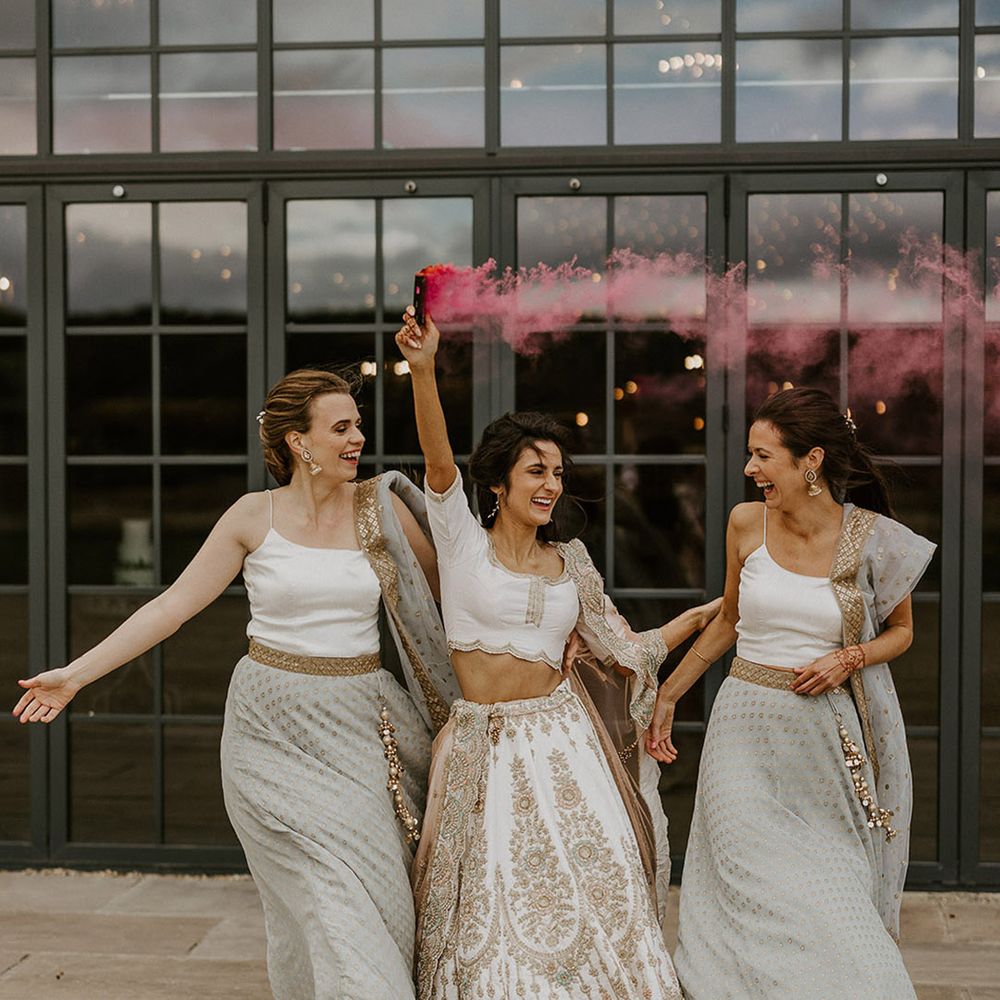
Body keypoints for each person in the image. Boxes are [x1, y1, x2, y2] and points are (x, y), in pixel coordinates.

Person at [12, 368, 459, 1000]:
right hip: (268, 732)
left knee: (377, 895)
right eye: (340, 427)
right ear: (299, 444)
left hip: (362, 729)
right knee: (327, 895)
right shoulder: (254, 516)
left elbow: (456, 597)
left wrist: (552, 618)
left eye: (357, 425)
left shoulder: (379, 511)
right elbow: (171, 607)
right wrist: (74, 677)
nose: (358, 438)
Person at [396, 309, 720, 1000]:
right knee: (495, 902)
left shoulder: (571, 560)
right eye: (535, 470)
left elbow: (623, 647)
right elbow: (438, 463)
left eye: (557, 472)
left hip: (565, 741)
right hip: (486, 748)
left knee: (598, 885)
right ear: (498, 484)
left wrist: (702, 615)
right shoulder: (462, 545)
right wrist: (423, 371)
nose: (550, 484)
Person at [647, 386, 933, 1000]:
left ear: (812, 461)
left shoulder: (877, 539)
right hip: (742, 728)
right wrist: (669, 692)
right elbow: (728, 620)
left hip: (825, 739)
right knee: (748, 885)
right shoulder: (746, 523)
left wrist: (850, 657)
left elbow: (904, 632)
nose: (749, 470)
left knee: (825, 888)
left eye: (762, 456)